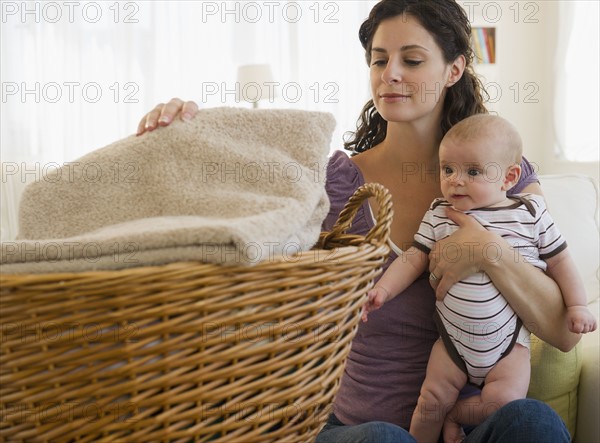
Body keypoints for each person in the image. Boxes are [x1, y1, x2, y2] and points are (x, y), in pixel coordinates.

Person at [136, 1, 580, 441]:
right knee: (386, 440)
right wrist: (180, 136)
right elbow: (218, 216)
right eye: (379, 60)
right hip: (356, 430)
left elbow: (563, 332)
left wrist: (489, 252)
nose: (390, 74)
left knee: (533, 422)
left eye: (412, 59)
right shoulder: (334, 182)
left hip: (465, 427)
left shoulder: (504, 175)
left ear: (454, 70)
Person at [361, 113, 596, 442]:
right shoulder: (440, 212)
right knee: (430, 402)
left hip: (508, 346)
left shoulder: (529, 213)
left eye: (472, 171)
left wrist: (578, 307)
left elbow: (561, 261)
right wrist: (382, 290)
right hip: (452, 344)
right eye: (447, 170)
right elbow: (415, 257)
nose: (456, 180)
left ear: (509, 177)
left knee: (506, 404)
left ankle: (458, 414)